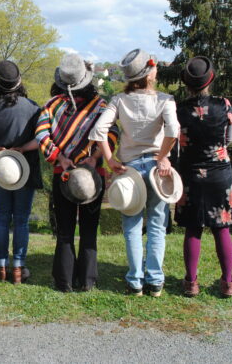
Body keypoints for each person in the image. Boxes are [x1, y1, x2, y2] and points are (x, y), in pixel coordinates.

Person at [90, 48, 179, 297]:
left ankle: (135, 281)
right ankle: (155, 281)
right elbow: (173, 131)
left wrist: (110, 159)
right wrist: (162, 157)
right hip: (156, 169)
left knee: (132, 227)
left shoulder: (119, 100)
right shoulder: (165, 100)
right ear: (150, 74)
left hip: (129, 170)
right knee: (157, 225)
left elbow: (99, 130)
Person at [36, 53, 118, 292]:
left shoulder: (52, 106)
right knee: (89, 230)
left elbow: (41, 134)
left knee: (65, 230)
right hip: (93, 175)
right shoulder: (102, 107)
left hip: (63, 174)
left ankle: (64, 280)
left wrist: (58, 157)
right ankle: (88, 280)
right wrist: (95, 158)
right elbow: (112, 134)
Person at [175, 56, 232, 298]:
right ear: (210, 78)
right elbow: (228, 139)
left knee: (193, 229)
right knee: (221, 228)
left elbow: (175, 142)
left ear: (187, 83)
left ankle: (191, 282)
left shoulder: (179, 109)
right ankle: (227, 283)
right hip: (220, 173)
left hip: (191, 174)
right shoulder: (224, 104)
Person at [0, 60, 43, 284]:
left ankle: (2, 267)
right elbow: (43, 138)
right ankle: (18, 268)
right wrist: (23, 148)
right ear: (19, 81)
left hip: (0, 170)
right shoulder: (33, 107)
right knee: (21, 220)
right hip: (25, 169)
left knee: (2, 218)